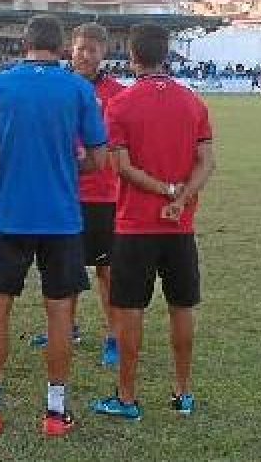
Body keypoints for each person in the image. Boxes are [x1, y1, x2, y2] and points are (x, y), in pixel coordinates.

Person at [0, 14, 108, 438]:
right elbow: (99, 160)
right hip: (62, 219)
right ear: (62, 47)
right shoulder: (79, 89)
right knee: (60, 315)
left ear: (24, 44)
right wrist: (64, 168)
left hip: (9, 217)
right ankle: (56, 413)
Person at [92, 23, 216, 423]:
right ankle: (183, 394)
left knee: (130, 312)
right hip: (180, 228)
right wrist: (180, 199)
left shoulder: (121, 105)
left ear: (131, 56)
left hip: (135, 227)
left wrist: (165, 191)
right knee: (182, 309)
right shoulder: (193, 102)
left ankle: (127, 399)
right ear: (167, 54)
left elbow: (122, 168)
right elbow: (207, 162)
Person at [27, 23, 125, 368]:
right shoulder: (58, 86)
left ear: (104, 53)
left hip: (103, 195)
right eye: (80, 48)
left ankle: (114, 335)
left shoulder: (117, 94)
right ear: (70, 48)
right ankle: (66, 327)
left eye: (93, 50)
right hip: (62, 193)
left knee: (106, 270)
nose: (85, 55)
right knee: (60, 267)